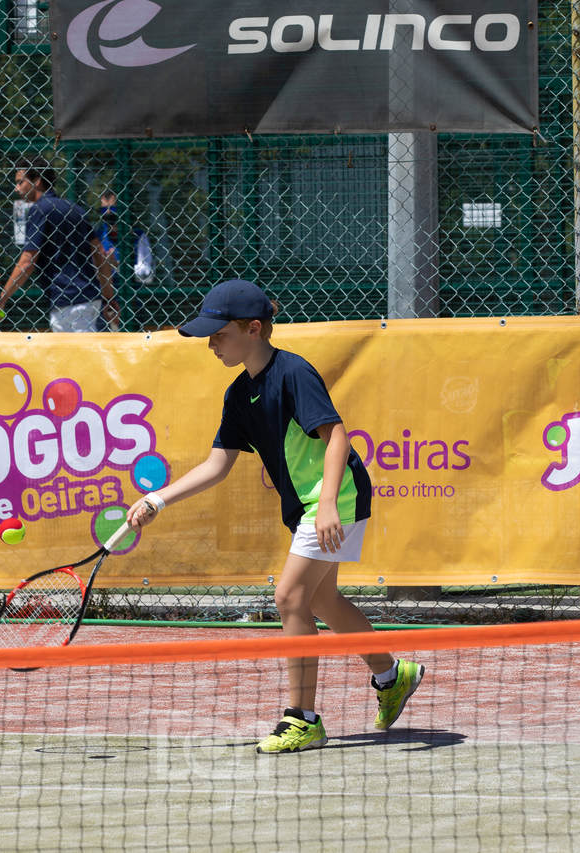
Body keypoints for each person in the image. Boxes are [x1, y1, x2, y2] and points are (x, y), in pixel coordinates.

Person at [123, 278, 424, 754]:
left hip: (335, 497)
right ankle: (391, 674)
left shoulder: (293, 373)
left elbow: (337, 436)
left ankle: (303, 719)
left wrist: (326, 504)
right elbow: (217, 464)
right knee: (320, 601)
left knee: (288, 599)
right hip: (310, 503)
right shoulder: (239, 395)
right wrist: (159, 499)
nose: (211, 343)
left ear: (254, 329)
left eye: (219, 334)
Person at [0, 158, 117, 332]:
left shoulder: (39, 210)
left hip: (66, 303)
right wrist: (108, 297)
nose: (16, 188)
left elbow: (27, 261)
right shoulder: (75, 209)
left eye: (20, 182)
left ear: (37, 181)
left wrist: (2, 300)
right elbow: (99, 253)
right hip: (90, 299)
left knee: (75, 357)